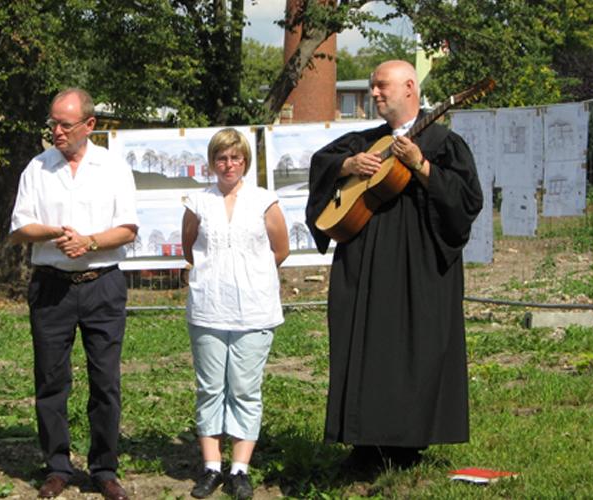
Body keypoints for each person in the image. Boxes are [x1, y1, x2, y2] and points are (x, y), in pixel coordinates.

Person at [305, 61, 483, 473]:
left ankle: (407, 446)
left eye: (382, 86)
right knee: (362, 345)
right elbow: (322, 166)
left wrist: (422, 167)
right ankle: (364, 443)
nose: (374, 93)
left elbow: (466, 203)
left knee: (413, 349)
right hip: (364, 267)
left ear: (409, 88)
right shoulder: (363, 142)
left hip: (420, 266)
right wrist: (348, 167)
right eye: (372, 87)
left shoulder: (443, 144)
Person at [10, 88, 139, 500]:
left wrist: (90, 242)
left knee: (105, 381)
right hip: (52, 286)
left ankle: (104, 468)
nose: (56, 131)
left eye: (65, 124)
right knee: (50, 380)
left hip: (102, 285)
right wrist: (54, 232)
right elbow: (21, 227)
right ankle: (57, 467)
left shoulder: (113, 167)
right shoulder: (37, 167)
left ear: (90, 125)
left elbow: (128, 229)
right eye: (52, 123)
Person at [181, 128, 290, 499]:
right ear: (212, 163)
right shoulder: (198, 202)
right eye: (222, 158)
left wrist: (249, 277)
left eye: (236, 158)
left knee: (245, 389)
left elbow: (281, 249)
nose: (229, 164)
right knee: (210, 388)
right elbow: (189, 248)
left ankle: (240, 468)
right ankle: (212, 467)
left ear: (245, 161)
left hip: (254, 311)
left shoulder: (264, 200)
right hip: (209, 309)